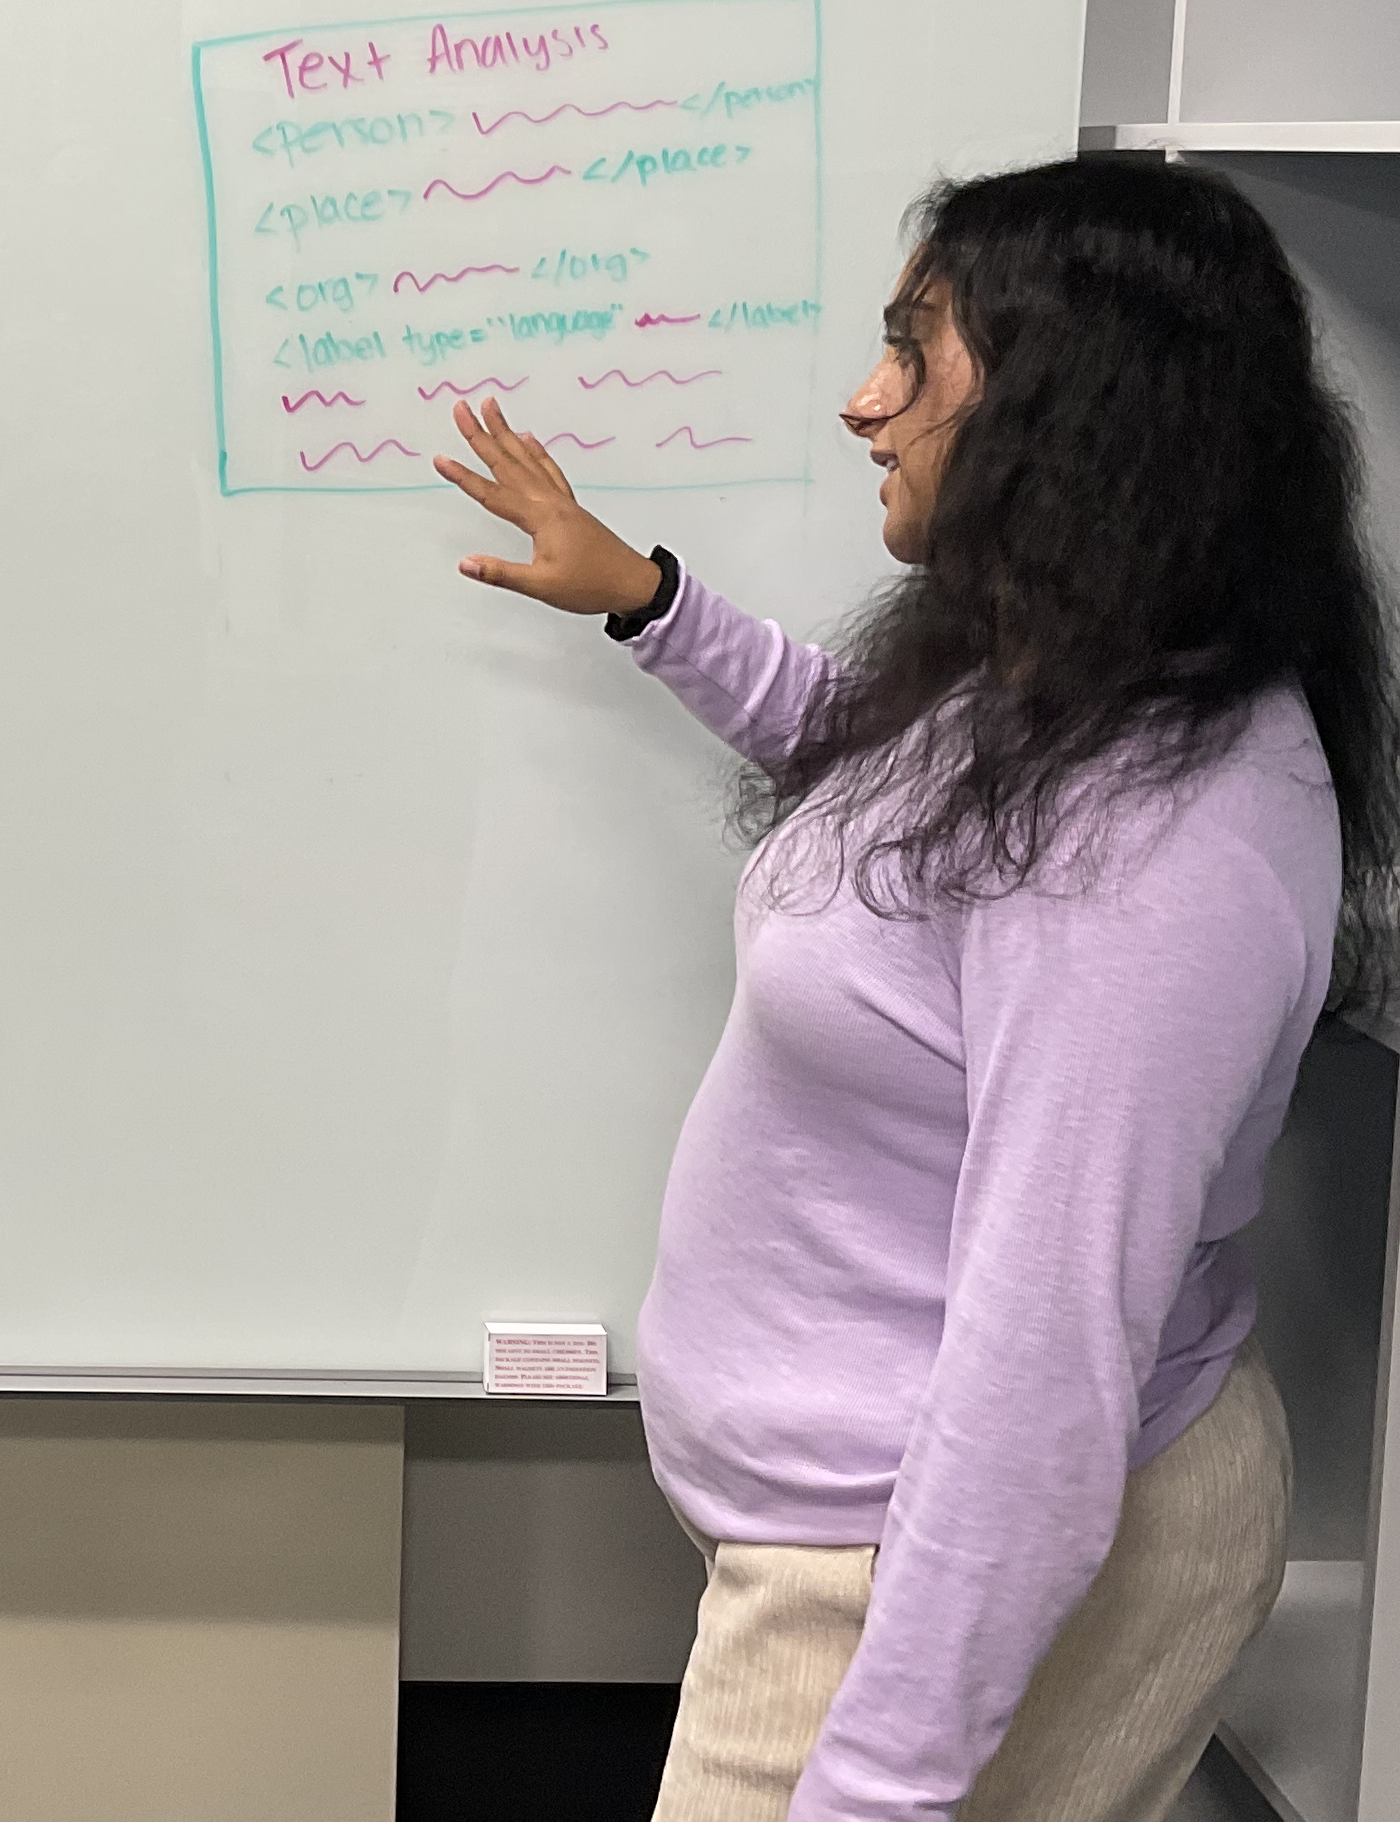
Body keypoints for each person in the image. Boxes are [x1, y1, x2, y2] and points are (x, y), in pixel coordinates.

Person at [436, 156, 1395, 1822]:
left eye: (914, 349)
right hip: (857, 1545)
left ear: (1068, 403)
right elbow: (885, 800)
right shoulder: (1065, 675)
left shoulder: (1157, 837)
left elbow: (1041, 1370)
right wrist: (653, 607)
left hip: (936, 1576)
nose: (863, 402)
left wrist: (872, 1790)